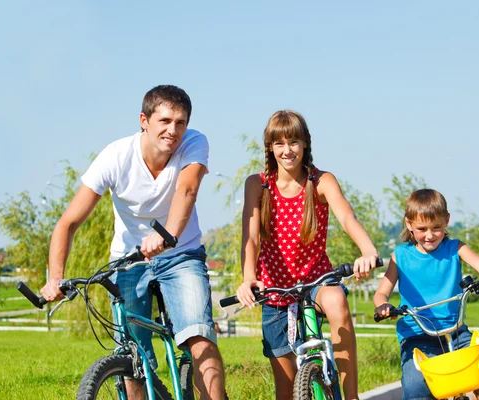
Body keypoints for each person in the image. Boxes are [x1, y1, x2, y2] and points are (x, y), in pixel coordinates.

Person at [40, 85, 226, 399]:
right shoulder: (115, 157)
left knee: (200, 340)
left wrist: (168, 237)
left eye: (180, 122)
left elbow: (187, 191)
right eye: (165, 121)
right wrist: (55, 277)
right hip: (129, 260)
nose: (173, 130)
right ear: (144, 120)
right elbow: (68, 223)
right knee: (133, 354)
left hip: (181, 254)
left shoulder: (194, 142)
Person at [235, 110, 379, 400]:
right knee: (286, 390)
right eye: (279, 144)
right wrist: (248, 278)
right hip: (274, 289)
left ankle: (351, 395)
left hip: (316, 281)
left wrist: (368, 251)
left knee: (337, 301)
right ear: (270, 147)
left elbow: (347, 218)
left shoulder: (321, 181)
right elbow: (250, 238)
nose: (287, 150)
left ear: (305, 144)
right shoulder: (258, 184)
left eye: (294, 142)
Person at [373, 189, 479, 400]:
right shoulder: (400, 256)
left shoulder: (455, 248)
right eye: (422, 228)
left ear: (447, 221)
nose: (430, 235)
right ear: (409, 224)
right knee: (417, 388)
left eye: (437, 228)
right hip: (416, 335)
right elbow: (381, 292)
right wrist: (382, 306)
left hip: (456, 332)